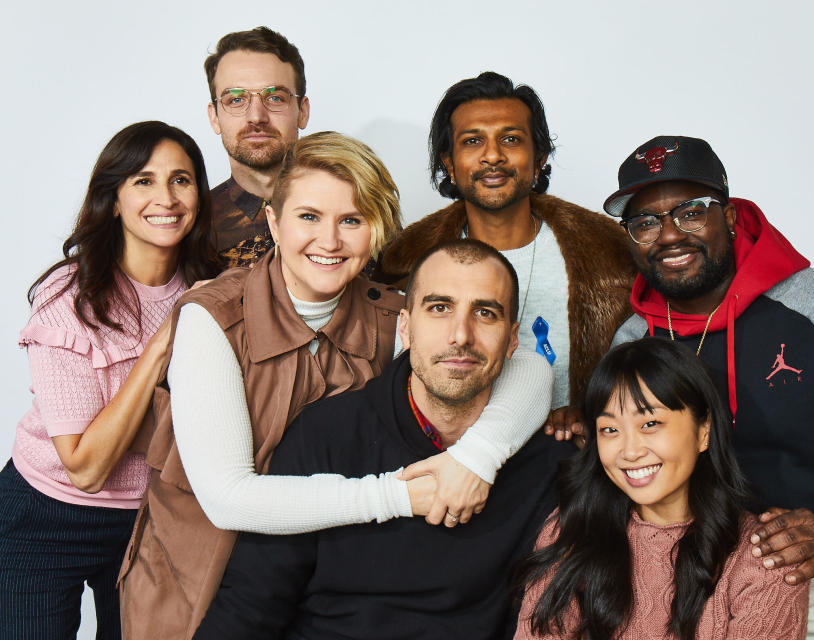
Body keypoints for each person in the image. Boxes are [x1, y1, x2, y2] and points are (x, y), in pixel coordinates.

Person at [119, 133, 554, 639]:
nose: (329, 241)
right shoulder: (213, 317)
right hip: (196, 569)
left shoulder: (390, 315)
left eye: (351, 220)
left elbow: (521, 364)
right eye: (309, 217)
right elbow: (227, 498)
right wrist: (398, 497)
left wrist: (474, 460)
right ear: (274, 223)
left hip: (312, 566)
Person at [605, 135, 814, 638]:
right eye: (645, 222)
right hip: (677, 602)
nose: (669, 235)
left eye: (691, 212)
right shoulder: (633, 338)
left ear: (732, 216)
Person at [194, 239, 576, 640]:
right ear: (406, 328)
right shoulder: (328, 434)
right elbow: (251, 605)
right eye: (439, 308)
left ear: (513, 339)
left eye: (485, 313)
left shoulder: (549, 463)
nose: (460, 335)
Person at [0, 121, 220, 639]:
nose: (166, 198)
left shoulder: (215, 291)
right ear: (113, 200)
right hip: (43, 519)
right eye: (143, 181)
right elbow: (85, 466)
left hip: (153, 524)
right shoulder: (70, 298)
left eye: (181, 180)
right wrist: (159, 349)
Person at [375, 71, 636, 427]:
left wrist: (592, 415)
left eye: (511, 139)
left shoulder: (613, 256)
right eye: (472, 141)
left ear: (540, 156)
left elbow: (640, 380)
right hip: (442, 465)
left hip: (572, 470)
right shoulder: (405, 263)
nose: (493, 156)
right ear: (448, 163)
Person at [515, 338, 808, 639]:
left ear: (703, 431)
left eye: (650, 424)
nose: (629, 451)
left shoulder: (767, 556)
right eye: (610, 430)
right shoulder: (570, 529)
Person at [204, 26, 310, 267]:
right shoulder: (191, 227)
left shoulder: (356, 203)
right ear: (214, 117)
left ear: (302, 112)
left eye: (275, 97)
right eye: (236, 99)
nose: (256, 116)